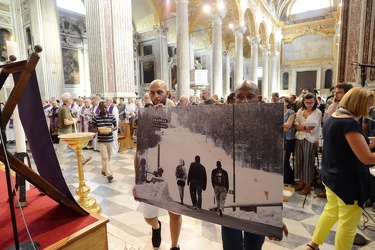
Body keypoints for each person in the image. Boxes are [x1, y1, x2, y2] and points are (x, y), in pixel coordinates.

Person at [222, 80, 288, 250]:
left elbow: (273, 176)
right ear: (233, 99)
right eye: (239, 97)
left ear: (258, 98)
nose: (244, 101)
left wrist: (275, 217)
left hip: (258, 199)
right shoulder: (224, 125)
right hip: (230, 199)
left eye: (250, 97)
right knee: (232, 246)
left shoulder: (271, 129)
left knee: (254, 246)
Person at [306, 87, 375, 250]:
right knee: (348, 224)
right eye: (368, 105)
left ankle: (313, 245)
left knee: (330, 213)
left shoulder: (334, 117)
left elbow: (354, 141)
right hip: (347, 181)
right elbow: (366, 157)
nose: (368, 109)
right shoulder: (349, 123)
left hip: (332, 177)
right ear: (360, 104)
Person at [134, 79, 181, 250]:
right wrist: (137, 181)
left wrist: (167, 116)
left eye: (159, 92)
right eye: (152, 92)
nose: (155, 96)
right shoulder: (146, 115)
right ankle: (156, 227)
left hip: (173, 172)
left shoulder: (181, 113)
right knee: (148, 215)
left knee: (175, 213)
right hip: (150, 172)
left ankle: (175, 245)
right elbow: (139, 149)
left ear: (167, 93)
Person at [293, 93, 322, 195]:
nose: (309, 104)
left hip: (310, 139)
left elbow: (312, 127)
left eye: (311, 102)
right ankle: (301, 183)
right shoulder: (300, 110)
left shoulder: (317, 112)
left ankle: (307, 186)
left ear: (315, 102)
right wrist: (304, 127)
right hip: (299, 138)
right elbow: (295, 124)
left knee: (308, 163)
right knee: (299, 161)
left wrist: (303, 127)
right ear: (303, 102)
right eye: (307, 102)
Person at [56, 92, 91, 170]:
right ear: (67, 100)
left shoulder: (66, 107)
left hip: (68, 132)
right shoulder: (64, 109)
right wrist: (75, 120)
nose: (72, 99)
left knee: (76, 146)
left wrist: (73, 119)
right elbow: (66, 122)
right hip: (65, 133)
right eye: (71, 98)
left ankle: (83, 160)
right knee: (61, 149)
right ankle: (56, 166)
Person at [92, 101, 117, 182]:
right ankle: (109, 174)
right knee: (105, 157)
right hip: (101, 140)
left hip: (109, 139)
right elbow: (93, 128)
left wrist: (113, 129)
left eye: (105, 107)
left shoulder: (111, 116)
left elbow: (116, 126)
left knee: (108, 158)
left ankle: (103, 170)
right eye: (102, 107)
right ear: (99, 108)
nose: (104, 109)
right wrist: (97, 129)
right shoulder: (96, 118)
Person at [279, 96, 295, 185]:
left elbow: (288, 126)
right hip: (280, 138)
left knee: (285, 160)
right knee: (281, 160)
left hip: (289, 139)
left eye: (282, 101)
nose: (280, 102)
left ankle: (288, 179)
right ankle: (284, 178)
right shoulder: (278, 112)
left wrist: (277, 123)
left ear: (287, 103)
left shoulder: (291, 112)